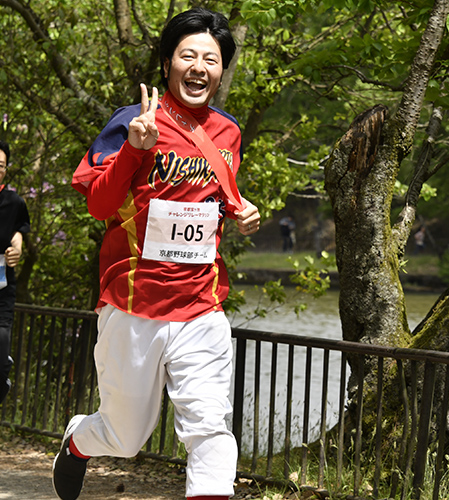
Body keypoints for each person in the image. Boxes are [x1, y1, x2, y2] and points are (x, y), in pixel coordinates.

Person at [54, 8, 260, 500]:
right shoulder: (132, 122)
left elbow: (219, 201)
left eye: (211, 59)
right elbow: (99, 205)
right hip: (133, 305)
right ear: (168, 62)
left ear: (221, 70)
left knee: (210, 425)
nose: (199, 67)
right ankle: (80, 439)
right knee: (126, 438)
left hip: (201, 307)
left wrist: (244, 213)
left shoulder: (227, 133)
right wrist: (134, 149)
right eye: (188, 55)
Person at [0, 139, 30, 405]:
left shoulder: (14, 202)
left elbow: (21, 229)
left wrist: (17, 245)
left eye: (1, 166)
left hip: (1, 286)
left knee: (0, 356)